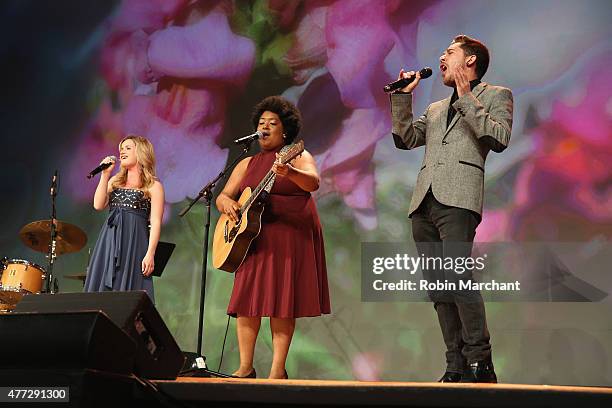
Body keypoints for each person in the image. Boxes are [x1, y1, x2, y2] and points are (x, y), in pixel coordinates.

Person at [390, 35, 513, 383]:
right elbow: (406, 138)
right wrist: (402, 97)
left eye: (449, 53)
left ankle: (480, 361)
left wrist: (467, 98)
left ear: (470, 61)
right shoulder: (435, 109)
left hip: (458, 199)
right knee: (439, 287)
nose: (441, 58)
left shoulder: (495, 95)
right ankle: (455, 364)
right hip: (424, 201)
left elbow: (499, 137)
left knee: (458, 277)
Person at [216, 96, 331, 379]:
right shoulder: (247, 162)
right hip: (252, 238)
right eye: (261, 123)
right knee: (247, 300)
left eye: (272, 123)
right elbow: (223, 196)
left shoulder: (298, 155)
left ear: (285, 131)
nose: (264, 127)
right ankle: (245, 367)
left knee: (282, 301)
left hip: (290, 234)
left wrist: (289, 171)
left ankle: (277, 370)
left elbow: (313, 183)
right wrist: (227, 205)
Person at [84, 135, 165, 303]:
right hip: (110, 239)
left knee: (130, 291)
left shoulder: (153, 186)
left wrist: (150, 254)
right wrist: (105, 175)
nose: (122, 151)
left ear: (141, 152)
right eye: (121, 148)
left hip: (135, 241)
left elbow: (156, 222)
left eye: (128, 148)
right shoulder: (115, 181)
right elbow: (98, 205)